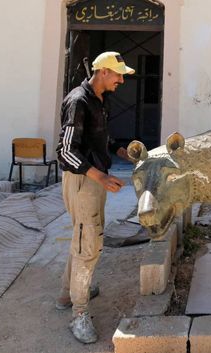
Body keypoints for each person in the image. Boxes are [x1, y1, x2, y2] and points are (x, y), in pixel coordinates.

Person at [55, 51, 134, 344]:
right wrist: (100, 176)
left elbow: (97, 137)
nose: (122, 80)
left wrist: (117, 150)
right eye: (118, 74)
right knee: (88, 244)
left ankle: (67, 294)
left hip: (94, 178)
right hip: (82, 180)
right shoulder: (78, 101)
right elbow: (65, 151)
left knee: (83, 238)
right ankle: (79, 314)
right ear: (102, 72)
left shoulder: (101, 99)